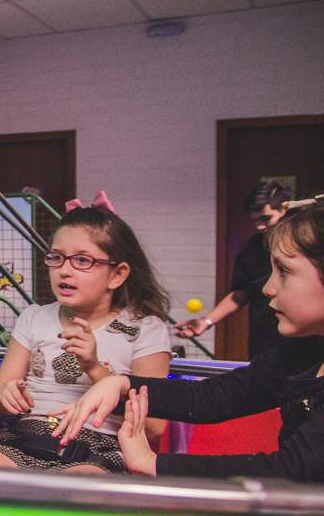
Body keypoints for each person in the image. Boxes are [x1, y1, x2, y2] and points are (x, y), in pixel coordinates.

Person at [56, 195, 324, 482]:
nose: (268, 288)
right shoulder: (305, 353)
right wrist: (122, 385)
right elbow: (213, 397)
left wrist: (156, 464)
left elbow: (292, 469)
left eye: (284, 271)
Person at [0, 191, 172, 473]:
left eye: (82, 261)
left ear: (117, 275)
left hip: (99, 450)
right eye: (57, 258)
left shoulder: (145, 329)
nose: (65, 271)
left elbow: (154, 427)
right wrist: (4, 393)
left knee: (72, 492)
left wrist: (95, 369)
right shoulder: (34, 317)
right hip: (26, 440)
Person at [175, 179, 292, 358]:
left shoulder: (306, 247)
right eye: (254, 220)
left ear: (285, 208)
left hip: (303, 342)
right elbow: (240, 294)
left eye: (265, 218)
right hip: (263, 344)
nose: (259, 226)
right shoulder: (250, 248)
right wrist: (206, 321)